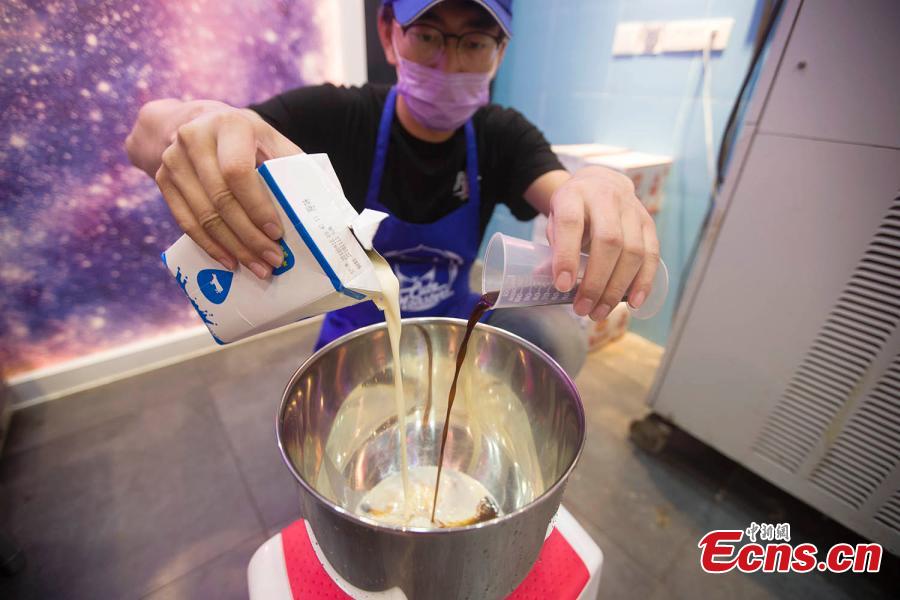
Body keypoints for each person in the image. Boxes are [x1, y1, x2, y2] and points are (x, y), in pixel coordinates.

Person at [125, 0, 660, 375]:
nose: (449, 63)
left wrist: (593, 186)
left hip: (453, 335)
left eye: (475, 42)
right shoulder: (338, 117)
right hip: (353, 344)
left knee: (550, 342)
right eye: (427, 36)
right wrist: (196, 123)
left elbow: (561, 190)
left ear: (499, 53)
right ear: (389, 35)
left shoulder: (502, 136)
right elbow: (145, 136)